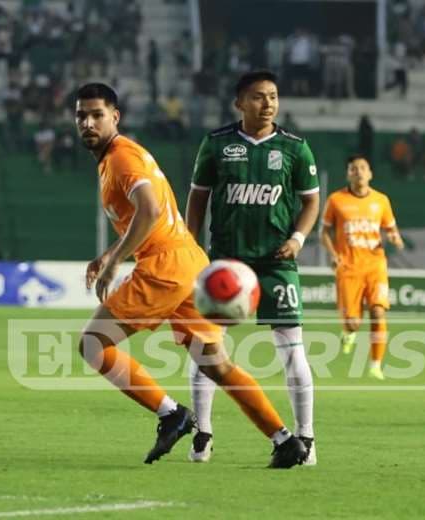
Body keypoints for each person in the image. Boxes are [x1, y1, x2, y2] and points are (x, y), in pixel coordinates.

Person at [75, 82, 307, 468]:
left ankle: (171, 414)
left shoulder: (121, 158)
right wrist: (107, 255)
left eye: (97, 114)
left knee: (93, 345)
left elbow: (148, 210)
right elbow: (147, 216)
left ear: (115, 117)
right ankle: (285, 440)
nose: (88, 123)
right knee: (216, 364)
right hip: (189, 264)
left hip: (165, 268)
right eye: (81, 115)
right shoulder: (117, 158)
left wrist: (116, 259)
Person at [185, 70, 320, 464]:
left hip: (277, 262)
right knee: (205, 349)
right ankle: (203, 433)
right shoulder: (216, 144)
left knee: (293, 350)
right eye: (259, 97)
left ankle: (307, 438)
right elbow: (197, 199)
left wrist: (297, 239)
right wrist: (192, 249)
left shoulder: (296, 148)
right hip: (225, 264)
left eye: (274, 96)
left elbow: (311, 200)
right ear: (239, 103)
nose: (268, 104)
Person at [320, 155, 404, 381]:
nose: (359, 172)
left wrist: (395, 238)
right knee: (353, 323)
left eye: (363, 168)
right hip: (348, 268)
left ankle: (376, 365)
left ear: (370, 174)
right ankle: (349, 332)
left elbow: (390, 228)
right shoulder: (336, 200)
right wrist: (333, 255)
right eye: (354, 168)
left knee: (377, 311)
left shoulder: (381, 200)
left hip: (375, 265)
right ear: (348, 174)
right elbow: (324, 233)